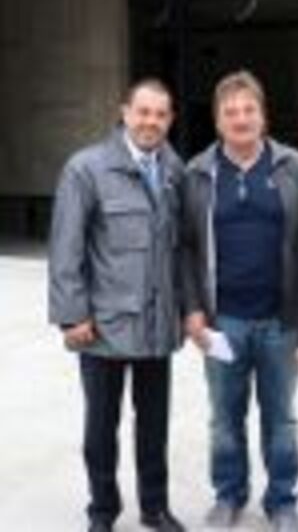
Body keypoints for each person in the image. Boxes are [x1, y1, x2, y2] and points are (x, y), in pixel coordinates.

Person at [48, 79, 186, 532]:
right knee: (101, 428)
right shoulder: (86, 169)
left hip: (157, 324)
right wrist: (71, 316)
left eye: (161, 114)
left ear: (170, 119)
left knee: (154, 426)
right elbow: (66, 248)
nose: (151, 122)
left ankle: (154, 507)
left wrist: (184, 310)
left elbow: (181, 249)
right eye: (143, 112)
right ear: (124, 112)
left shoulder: (174, 170)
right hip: (103, 326)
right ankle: (103, 511)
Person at [182, 70, 298, 531]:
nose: (240, 119)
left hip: (281, 321)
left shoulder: (292, 167)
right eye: (230, 112)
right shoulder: (197, 173)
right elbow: (186, 247)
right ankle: (229, 495)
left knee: (282, 419)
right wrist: (193, 308)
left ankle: (282, 501)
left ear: (263, 115)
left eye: (248, 109)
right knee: (224, 419)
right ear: (217, 120)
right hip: (223, 323)